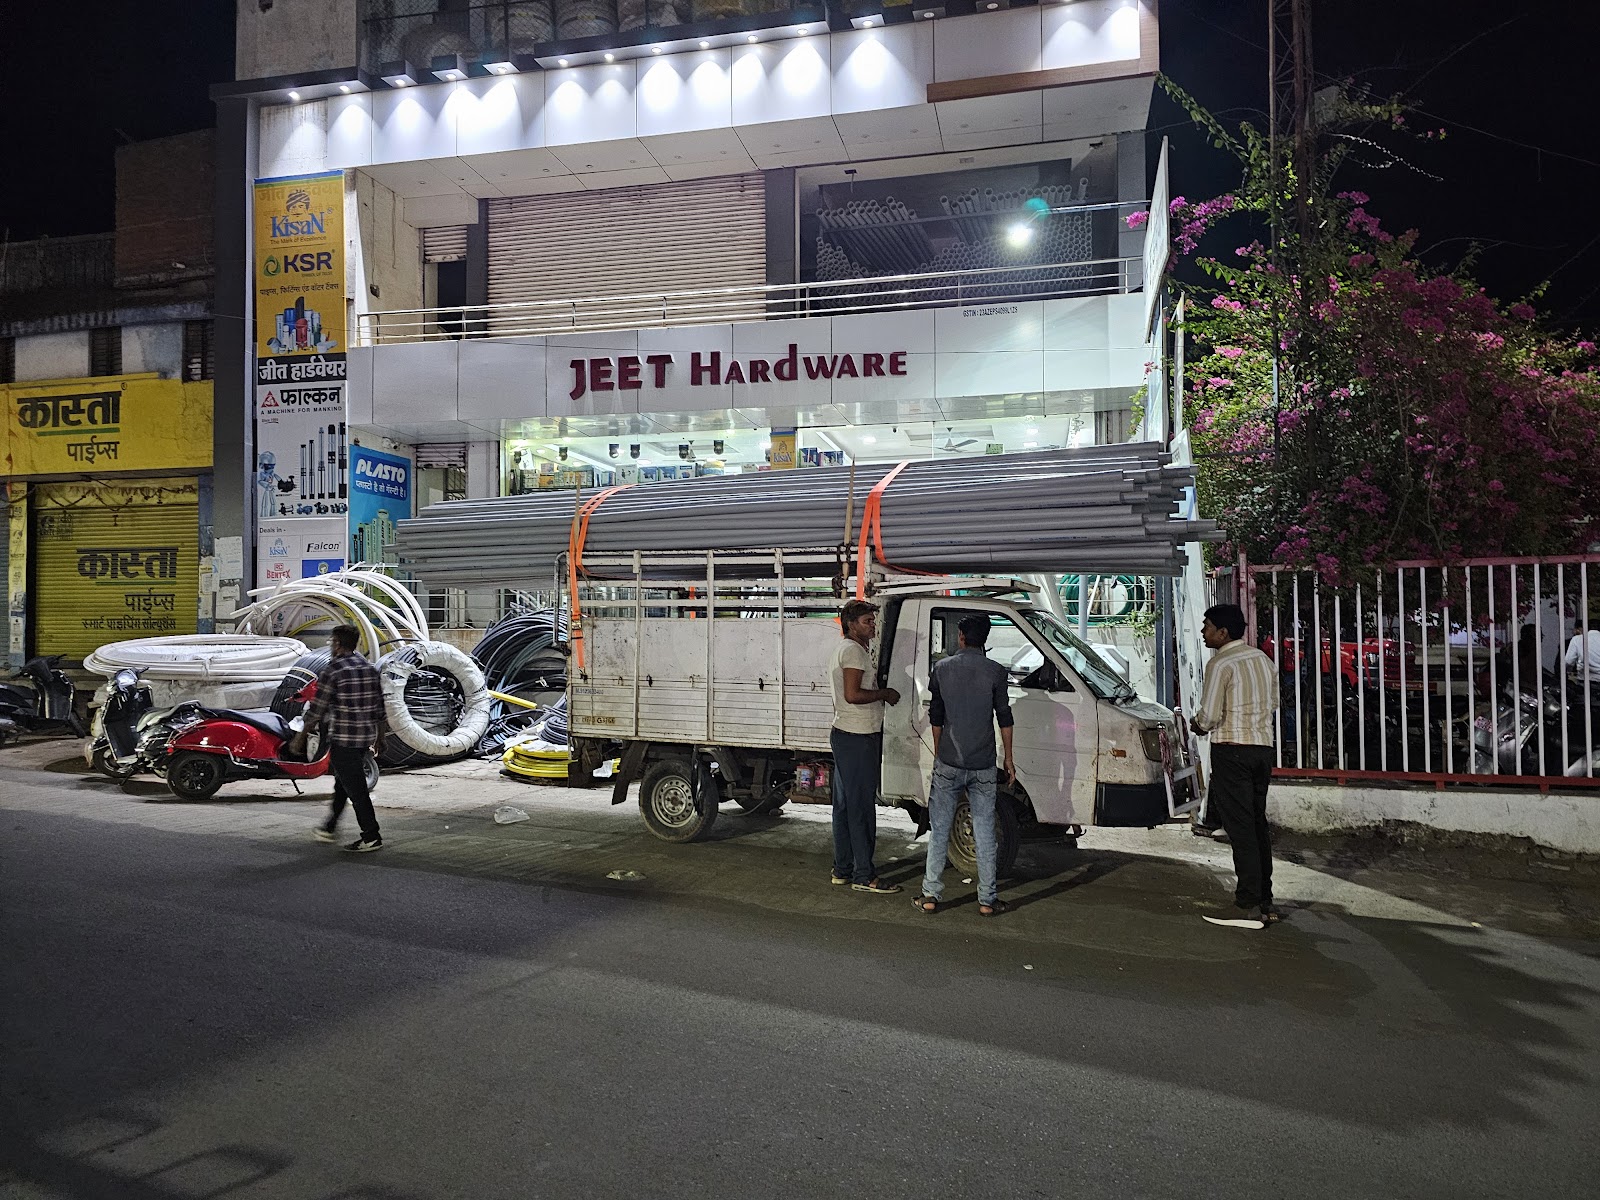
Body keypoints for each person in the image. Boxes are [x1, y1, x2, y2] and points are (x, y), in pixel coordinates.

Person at [916, 613, 1015, 917]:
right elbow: (1004, 718)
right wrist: (1008, 759)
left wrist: (939, 751)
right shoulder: (996, 672)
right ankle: (987, 900)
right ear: (985, 639)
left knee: (940, 829)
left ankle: (930, 895)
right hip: (983, 763)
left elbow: (936, 716)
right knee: (985, 832)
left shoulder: (942, 669)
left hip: (948, 761)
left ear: (961, 637)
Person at [1193, 603, 1280, 930]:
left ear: (1223, 632)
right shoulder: (1263, 660)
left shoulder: (1221, 663)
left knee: (1240, 828)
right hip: (1261, 749)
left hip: (1232, 750)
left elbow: (1210, 715)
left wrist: (1197, 725)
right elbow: (1273, 704)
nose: (1203, 632)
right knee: (1256, 824)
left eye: (1207, 626)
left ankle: (1247, 904)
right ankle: (1265, 900)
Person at [828, 599, 902, 894]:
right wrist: (884, 693)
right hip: (857, 737)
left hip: (847, 735)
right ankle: (864, 876)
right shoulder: (853, 652)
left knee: (845, 807)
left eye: (873, 620)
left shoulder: (846, 650)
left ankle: (842, 869)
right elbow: (852, 695)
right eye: (867, 621)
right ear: (850, 624)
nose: (872, 625)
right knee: (860, 809)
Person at [292, 623, 386, 853]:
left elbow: (317, 709)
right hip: (364, 738)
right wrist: (381, 738)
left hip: (343, 739)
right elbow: (380, 707)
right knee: (344, 783)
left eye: (331, 642)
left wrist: (300, 738)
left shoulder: (333, 670)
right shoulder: (368, 668)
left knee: (356, 789)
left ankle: (371, 836)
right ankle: (330, 826)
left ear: (337, 643)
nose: (330, 646)